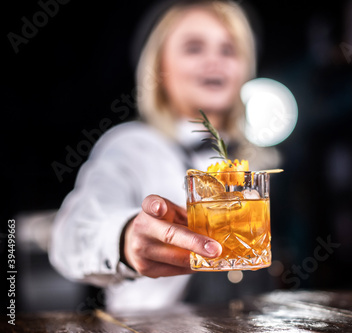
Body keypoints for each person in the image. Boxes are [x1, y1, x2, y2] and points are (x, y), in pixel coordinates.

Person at [49, 0, 272, 312]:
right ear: (160, 69)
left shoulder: (258, 159)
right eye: (194, 48)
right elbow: (69, 236)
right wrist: (126, 238)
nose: (215, 61)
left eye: (229, 50)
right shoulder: (132, 145)